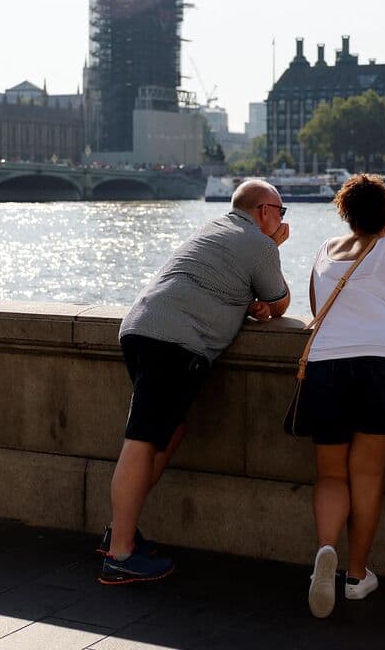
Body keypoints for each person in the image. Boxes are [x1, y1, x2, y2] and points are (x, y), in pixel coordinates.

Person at [99, 179, 291, 584]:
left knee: (169, 431)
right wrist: (274, 246)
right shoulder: (259, 242)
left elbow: (229, 286)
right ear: (263, 211)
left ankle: (121, 529)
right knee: (143, 439)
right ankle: (119, 554)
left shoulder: (213, 229)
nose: (281, 217)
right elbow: (279, 301)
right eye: (280, 210)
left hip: (142, 327)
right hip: (174, 341)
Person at [301, 173, 385, 618]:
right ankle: (356, 576)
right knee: (367, 475)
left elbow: (318, 312)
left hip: (326, 366)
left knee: (331, 475)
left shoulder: (325, 251)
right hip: (382, 364)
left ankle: (326, 549)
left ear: (346, 216)